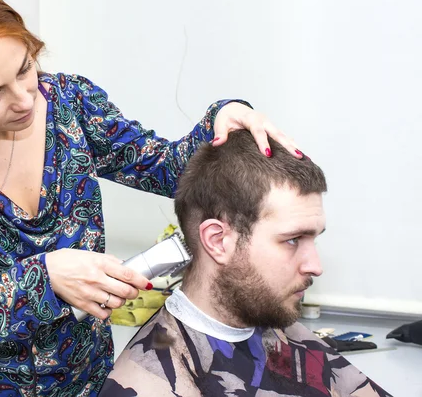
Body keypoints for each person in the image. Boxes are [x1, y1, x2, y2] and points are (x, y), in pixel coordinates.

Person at [0, 0, 303, 397]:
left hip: (90, 382)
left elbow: (168, 168)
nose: (26, 99)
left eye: (26, 69)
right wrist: (43, 280)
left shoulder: (70, 105)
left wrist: (222, 118)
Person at [101, 131, 392, 397]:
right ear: (218, 241)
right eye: (292, 240)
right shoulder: (152, 380)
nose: (315, 266)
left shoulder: (273, 322)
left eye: (313, 239)